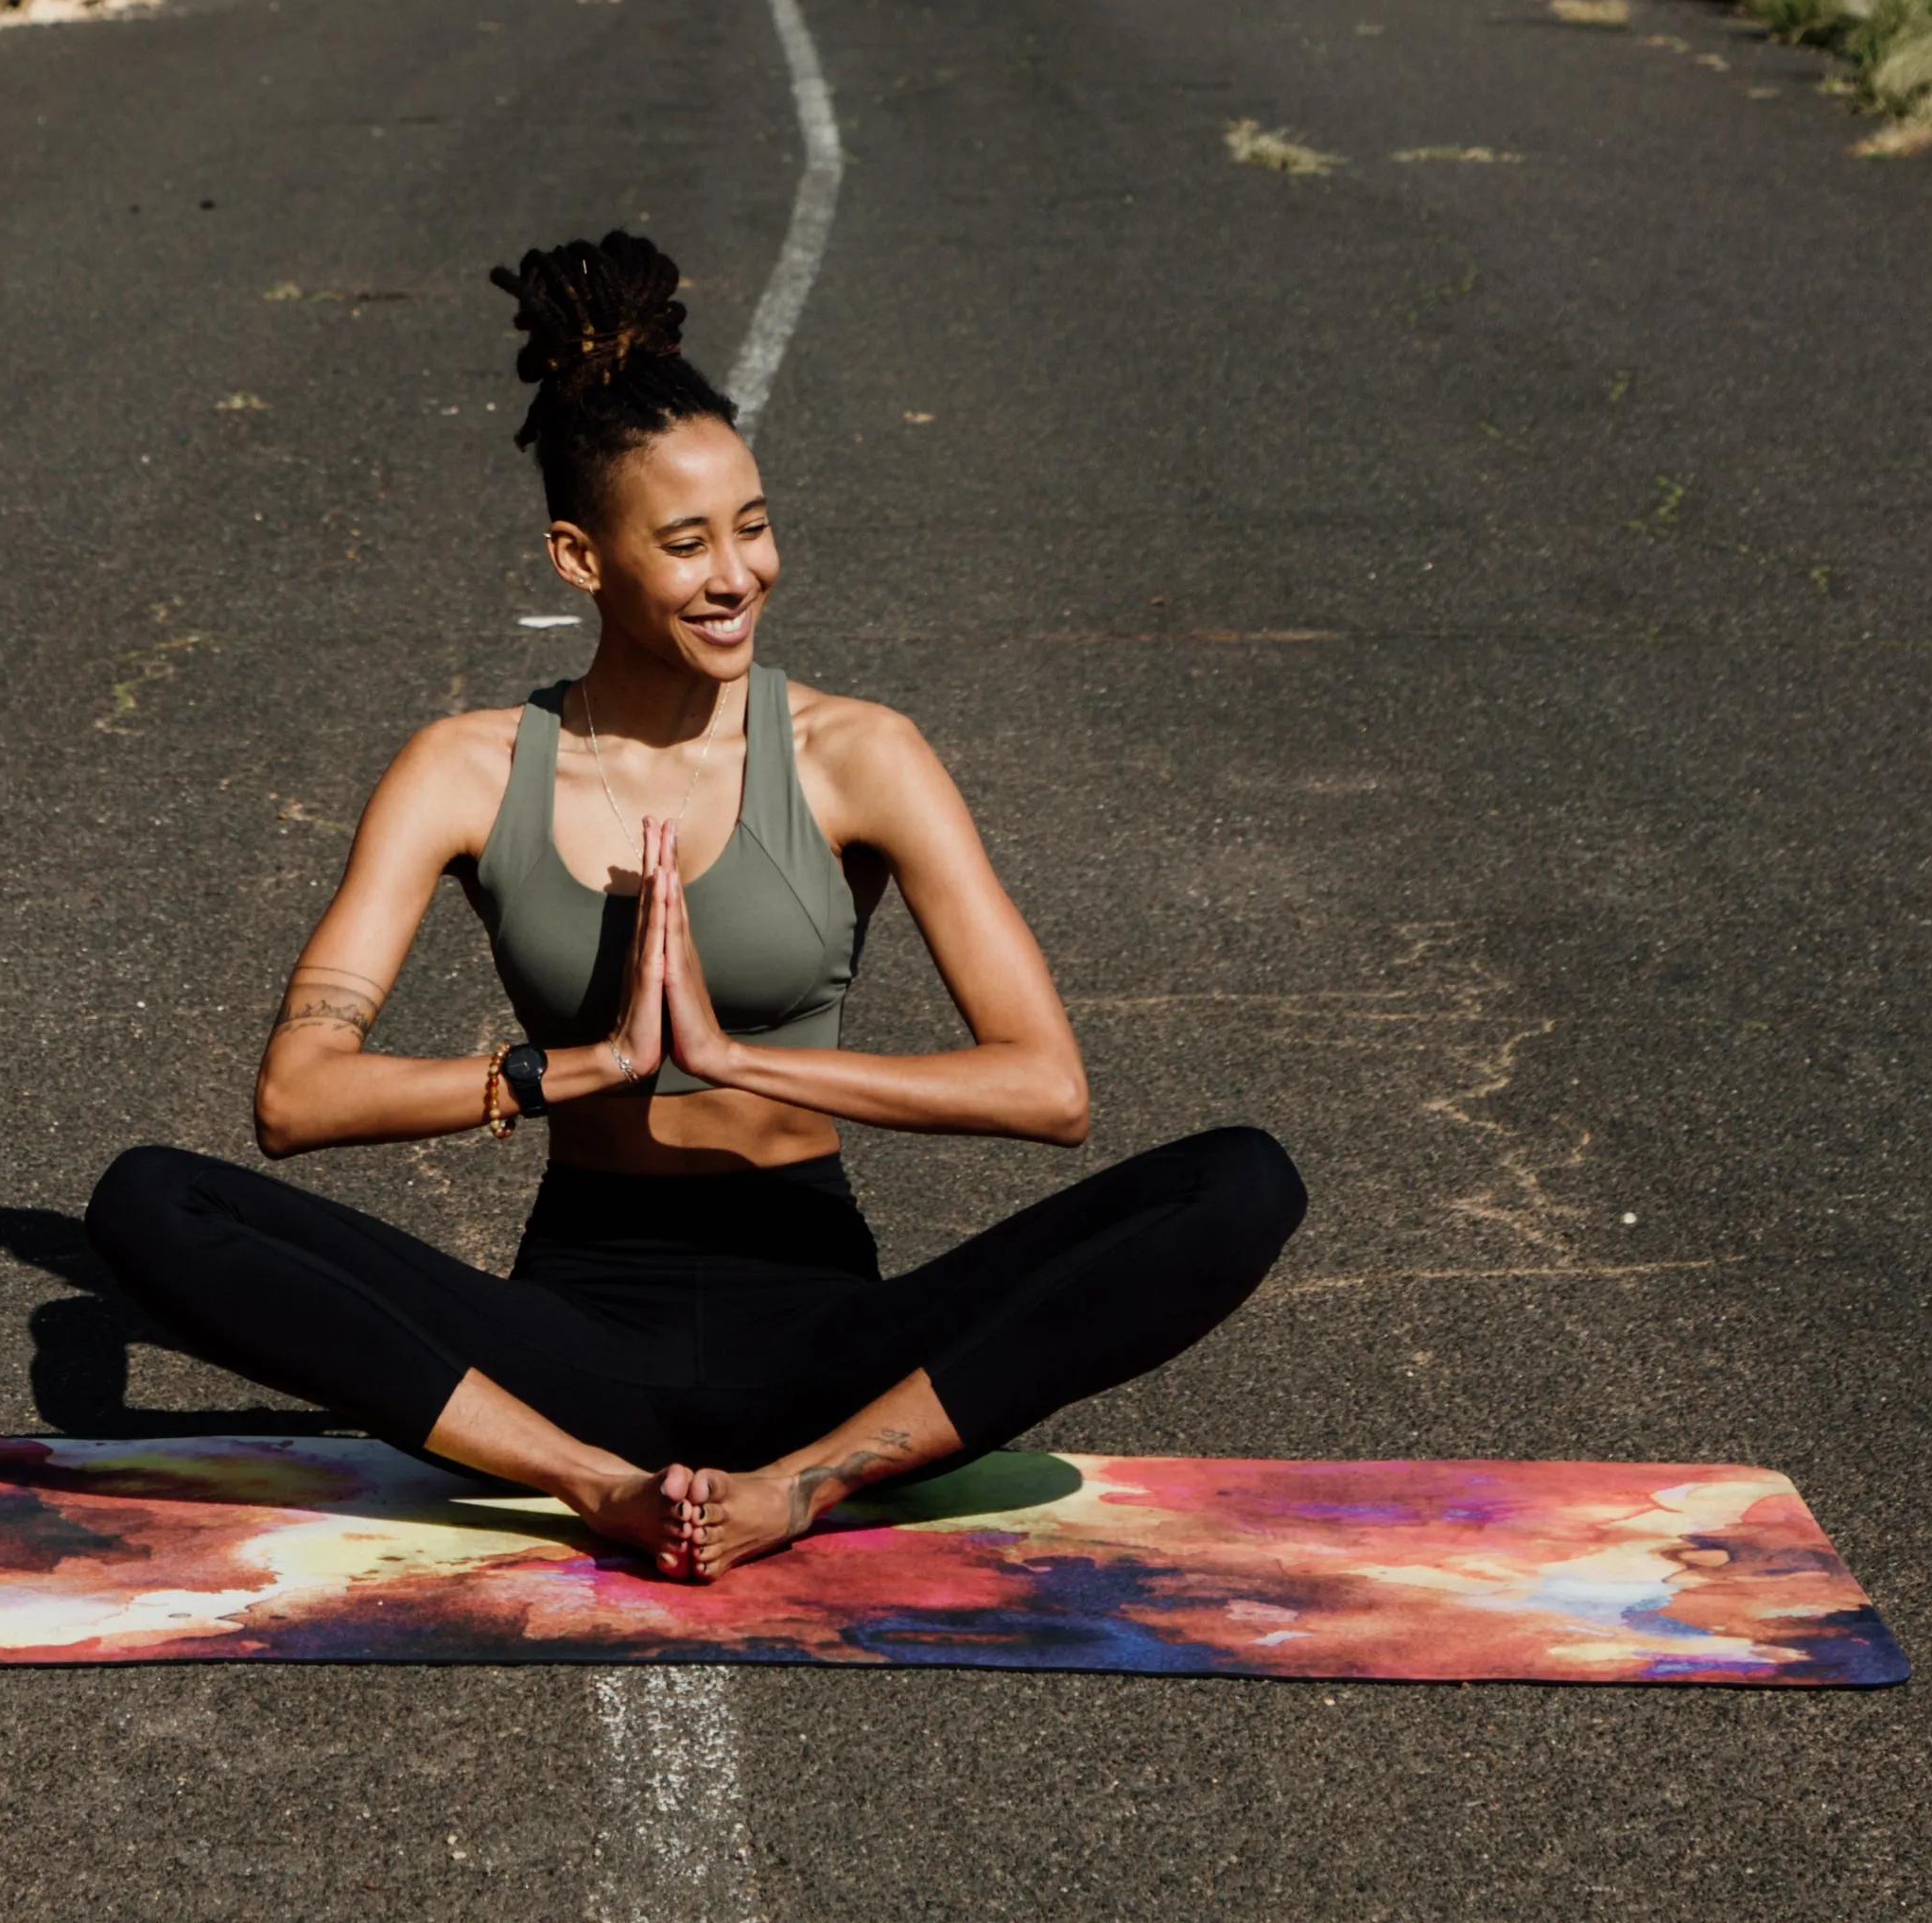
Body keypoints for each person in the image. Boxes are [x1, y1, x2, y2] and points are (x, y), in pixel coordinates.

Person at [90, 233, 1304, 1583]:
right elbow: (297, 1099)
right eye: (685, 542)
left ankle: (804, 1487)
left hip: (827, 1346)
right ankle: (593, 1487)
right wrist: (580, 1071)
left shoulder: (861, 755)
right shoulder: (465, 769)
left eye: (754, 524)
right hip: (569, 1350)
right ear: (578, 555)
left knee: (1242, 1182)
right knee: (148, 1203)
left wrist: (740, 1061)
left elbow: (1048, 1090)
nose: (738, 574)